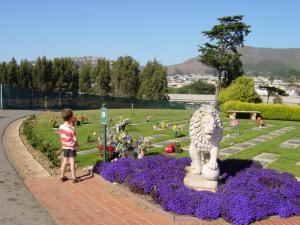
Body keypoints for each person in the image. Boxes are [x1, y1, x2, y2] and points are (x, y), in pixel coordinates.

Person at [59, 108, 79, 183]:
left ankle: (62, 176)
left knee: (64, 161)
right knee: (72, 161)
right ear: (71, 118)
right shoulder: (72, 128)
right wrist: (77, 144)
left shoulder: (61, 126)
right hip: (71, 147)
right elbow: (74, 139)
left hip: (64, 146)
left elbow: (61, 135)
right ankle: (74, 177)